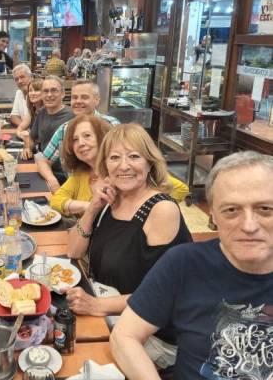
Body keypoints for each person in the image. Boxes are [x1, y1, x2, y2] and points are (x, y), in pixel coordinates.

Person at [111, 151, 273, 379]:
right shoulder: (184, 264)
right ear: (213, 215)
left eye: (265, 209)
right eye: (231, 210)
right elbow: (124, 335)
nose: (249, 225)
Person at [65, 123, 193, 368]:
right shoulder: (111, 200)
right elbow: (73, 251)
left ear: (149, 163)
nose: (123, 166)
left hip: (151, 332)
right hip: (108, 310)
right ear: (105, 166)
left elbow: (166, 294)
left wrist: (97, 305)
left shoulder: (160, 209)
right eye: (114, 157)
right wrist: (93, 207)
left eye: (133, 156)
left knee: (76, 365)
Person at [36, 79, 120, 192]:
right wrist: (52, 180)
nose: (78, 101)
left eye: (84, 97)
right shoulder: (64, 130)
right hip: (76, 194)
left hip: (111, 192)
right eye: (74, 97)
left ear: (97, 100)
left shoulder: (112, 125)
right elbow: (43, 161)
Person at [50, 115, 111, 216]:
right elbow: (55, 201)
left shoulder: (119, 174)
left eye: (87, 135)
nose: (81, 143)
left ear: (102, 137)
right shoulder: (81, 173)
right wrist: (87, 206)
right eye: (75, 139)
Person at [20, 76, 74, 160]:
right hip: (44, 164)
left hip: (64, 171)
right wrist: (27, 148)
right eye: (45, 91)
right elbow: (31, 138)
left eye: (54, 90)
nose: (49, 95)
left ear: (63, 93)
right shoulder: (41, 112)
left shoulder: (72, 116)